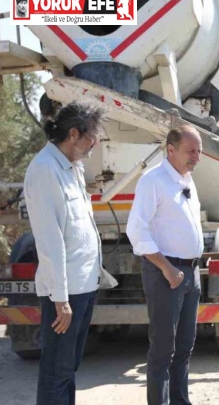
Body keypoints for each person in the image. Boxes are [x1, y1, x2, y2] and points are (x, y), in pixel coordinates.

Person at [24, 101, 105, 405]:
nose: (92, 147)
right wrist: (61, 300)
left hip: (83, 287)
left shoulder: (71, 167)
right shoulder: (45, 170)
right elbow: (49, 240)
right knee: (56, 371)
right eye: (91, 139)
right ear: (74, 134)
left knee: (68, 369)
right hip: (65, 294)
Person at [126, 125, 204, 405]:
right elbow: (136, 231)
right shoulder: (153, 181)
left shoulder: (187, 179)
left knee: (185, 346)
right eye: (190, 151)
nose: (196, 156)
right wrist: (166, 268)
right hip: (166, 274)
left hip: (190, 273)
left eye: (199, 151)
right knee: (163, 351)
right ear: (170, 150)